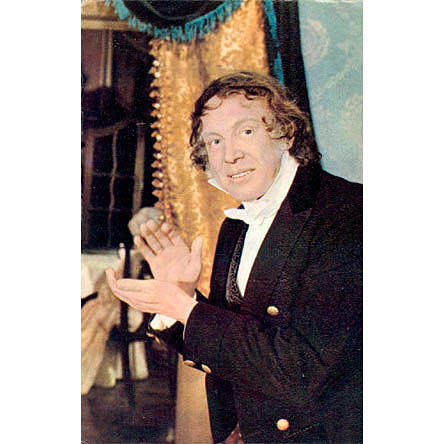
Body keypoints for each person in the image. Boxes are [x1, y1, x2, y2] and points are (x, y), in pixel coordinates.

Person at [106, 72, 362, 443]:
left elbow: (299, 370)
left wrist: (187, 309)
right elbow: (234, 353)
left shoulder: (347, 212)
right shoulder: (236, 224)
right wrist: (181, 297)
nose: (230, 155)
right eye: (215, 140)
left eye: (246, 131)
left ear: (286, 134)